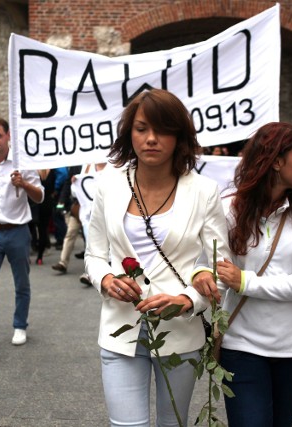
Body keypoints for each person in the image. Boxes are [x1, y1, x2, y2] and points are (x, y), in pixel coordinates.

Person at [84, 88, 229, 427]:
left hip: (180, 331)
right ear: (128, 133)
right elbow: (94, 253)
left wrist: (189, 299)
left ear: (179, 136)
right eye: (141, 128)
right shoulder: (108, 183)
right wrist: (105, 280)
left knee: (172, 423)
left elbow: (217, 265)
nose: (151, 139)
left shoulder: (203, 190)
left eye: (163, 130)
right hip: (120, 328)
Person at [194, 122, 292, 427]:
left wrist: (245, 281)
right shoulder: (228, 209)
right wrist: (200, 277)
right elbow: (207, 264)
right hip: (241, 344)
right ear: (277, 161)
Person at [0, 117, 44, 357]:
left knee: (21, 282)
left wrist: (23, 183)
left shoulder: (22, 163)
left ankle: (20, 325)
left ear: (8, 136)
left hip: (17, 231)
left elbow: (40, 197)